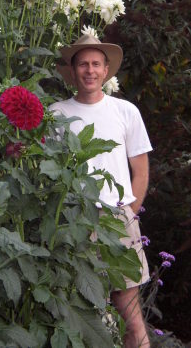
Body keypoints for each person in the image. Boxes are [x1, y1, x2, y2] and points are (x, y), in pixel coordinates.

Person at [50, 34, 152, 348]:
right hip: (72, 221)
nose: (90, 70)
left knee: (131, 317)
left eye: (96, 64)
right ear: (73, 70)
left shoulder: (125, 111)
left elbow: (141, 169)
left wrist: (127, 215)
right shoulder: (56, 114)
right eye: (83, 64)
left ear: (106, 70)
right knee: (81, 317)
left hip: (116, 219)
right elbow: (49, 172)